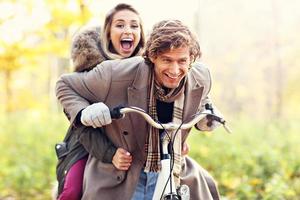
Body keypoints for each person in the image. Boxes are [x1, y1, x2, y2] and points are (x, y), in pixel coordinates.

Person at [56, 19, 223, 199]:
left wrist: (208, 114)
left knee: (206, 190)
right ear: (152, 56)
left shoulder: (201, 77)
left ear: (191, 59)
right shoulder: (115, 73)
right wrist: (84, 112)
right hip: (122, 171)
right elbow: (65, 85)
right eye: (167, 60)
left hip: (171, 165)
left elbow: (203, 99)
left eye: (182, 61)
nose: (175, 70)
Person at [55, 3, 145, 200]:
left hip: (136, 147)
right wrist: (110, 153)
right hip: (90, 144)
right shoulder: (92, 71)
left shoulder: (147, 69)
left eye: (134, 26)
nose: (128, 30)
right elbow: (81, 125)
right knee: (72, 191)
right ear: (108, 33)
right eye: (120, 25)